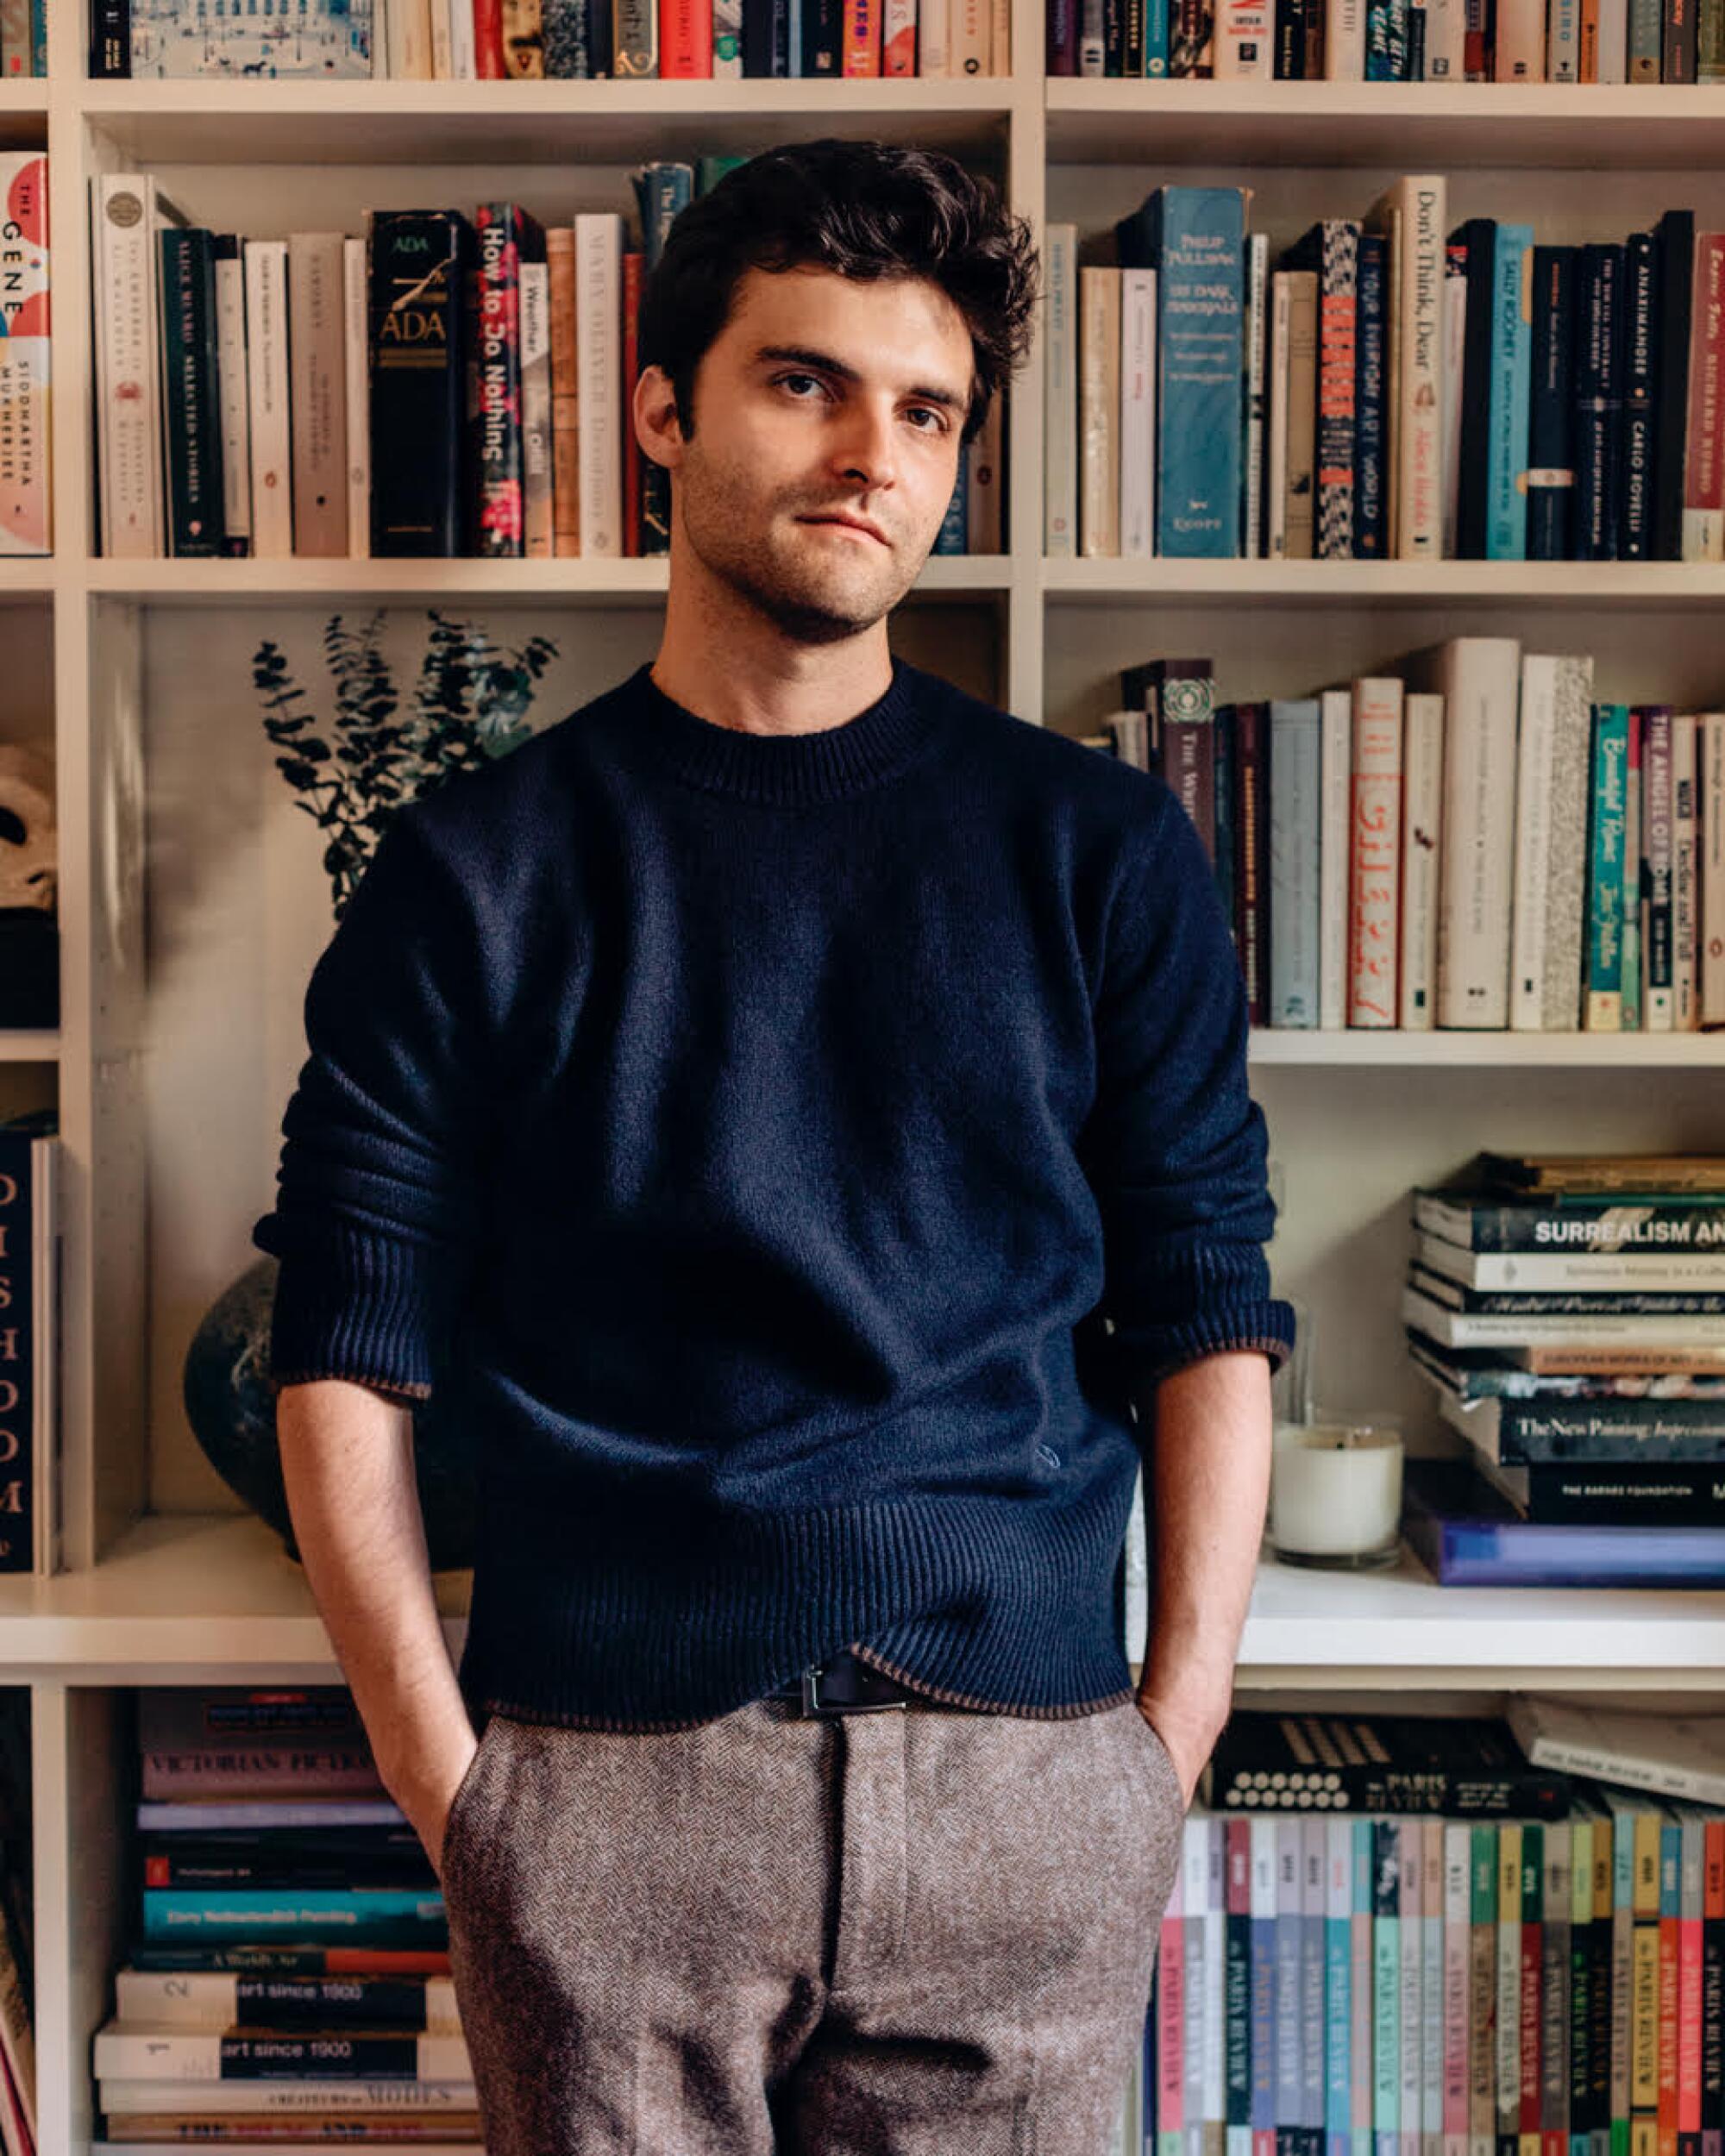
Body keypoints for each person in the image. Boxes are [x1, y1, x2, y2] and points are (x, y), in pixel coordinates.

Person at [252, 136, 1295, 2156]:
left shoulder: (1097, 857)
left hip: (1025, 1775)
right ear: (662, 409)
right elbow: (344, 1331)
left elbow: (1207, 1303)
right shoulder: (476, 873)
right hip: (609, 1790)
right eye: (802, 381)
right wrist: (443, 1779)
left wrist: (1169, 1735)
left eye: (924, 412)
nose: (869, 456)